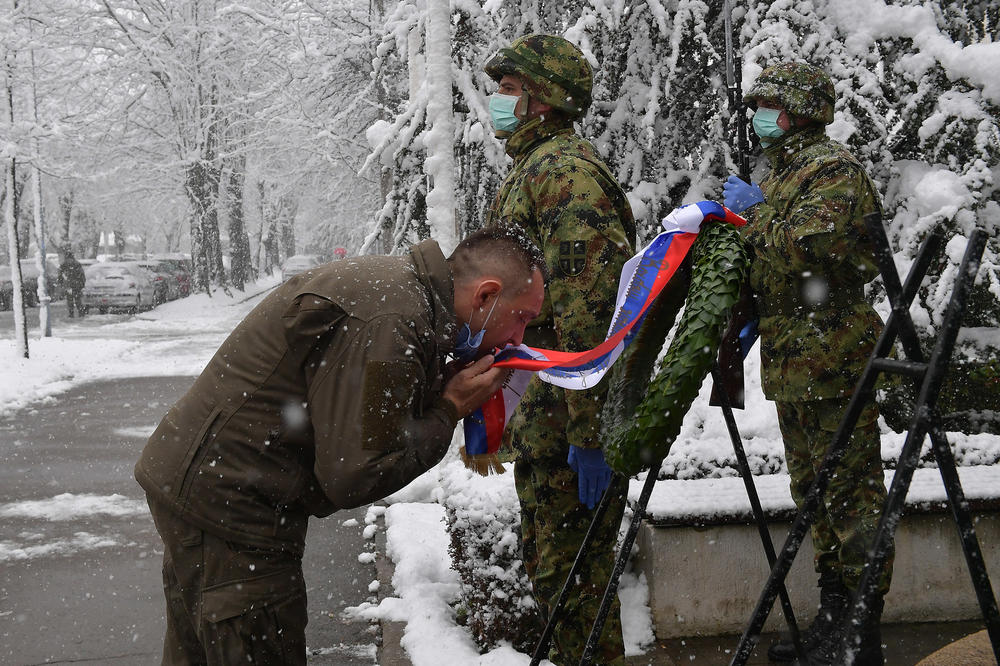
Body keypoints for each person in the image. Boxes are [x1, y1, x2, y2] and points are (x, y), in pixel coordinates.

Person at [135, 228, 546, 665]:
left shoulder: (402, 296)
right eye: (522, 317)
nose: (519, 338)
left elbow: (363, 414)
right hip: (233, 509)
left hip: (206, 487)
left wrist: (434, 393)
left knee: (196, 649)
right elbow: (354, 475)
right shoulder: (394, 320)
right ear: (485, 296)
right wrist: (448, 408)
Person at [722, 61, 892, 665]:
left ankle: (859, 633)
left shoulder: (832, 171)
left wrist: (755, 215)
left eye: (767, 105)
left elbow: (811, 249)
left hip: (835, 361)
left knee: (850, 498)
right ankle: (833, 622)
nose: (759, 117)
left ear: (793, 110)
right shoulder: (789, 173)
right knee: (817, 495)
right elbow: (777, 264)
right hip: (800, 364)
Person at [483, 34, 636, 665]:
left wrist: (591, 431)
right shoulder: (536, 168)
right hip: (543, 414)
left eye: (511, 91)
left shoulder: (565, 175)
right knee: (557, 578)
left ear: (542, 100)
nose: (498, 102)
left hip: (567, 421)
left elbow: (590, 311)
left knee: (578, 592)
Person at [58, 250, 86, 318]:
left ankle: (71, 313)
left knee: (70, 300)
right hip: (77, 285)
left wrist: (61, 283)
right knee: (78, 300)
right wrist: (82, 284)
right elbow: (82, 275)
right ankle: (81, 312)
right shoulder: (77, 264)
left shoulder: (64, 264)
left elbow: (60, 274)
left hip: (69, 285)